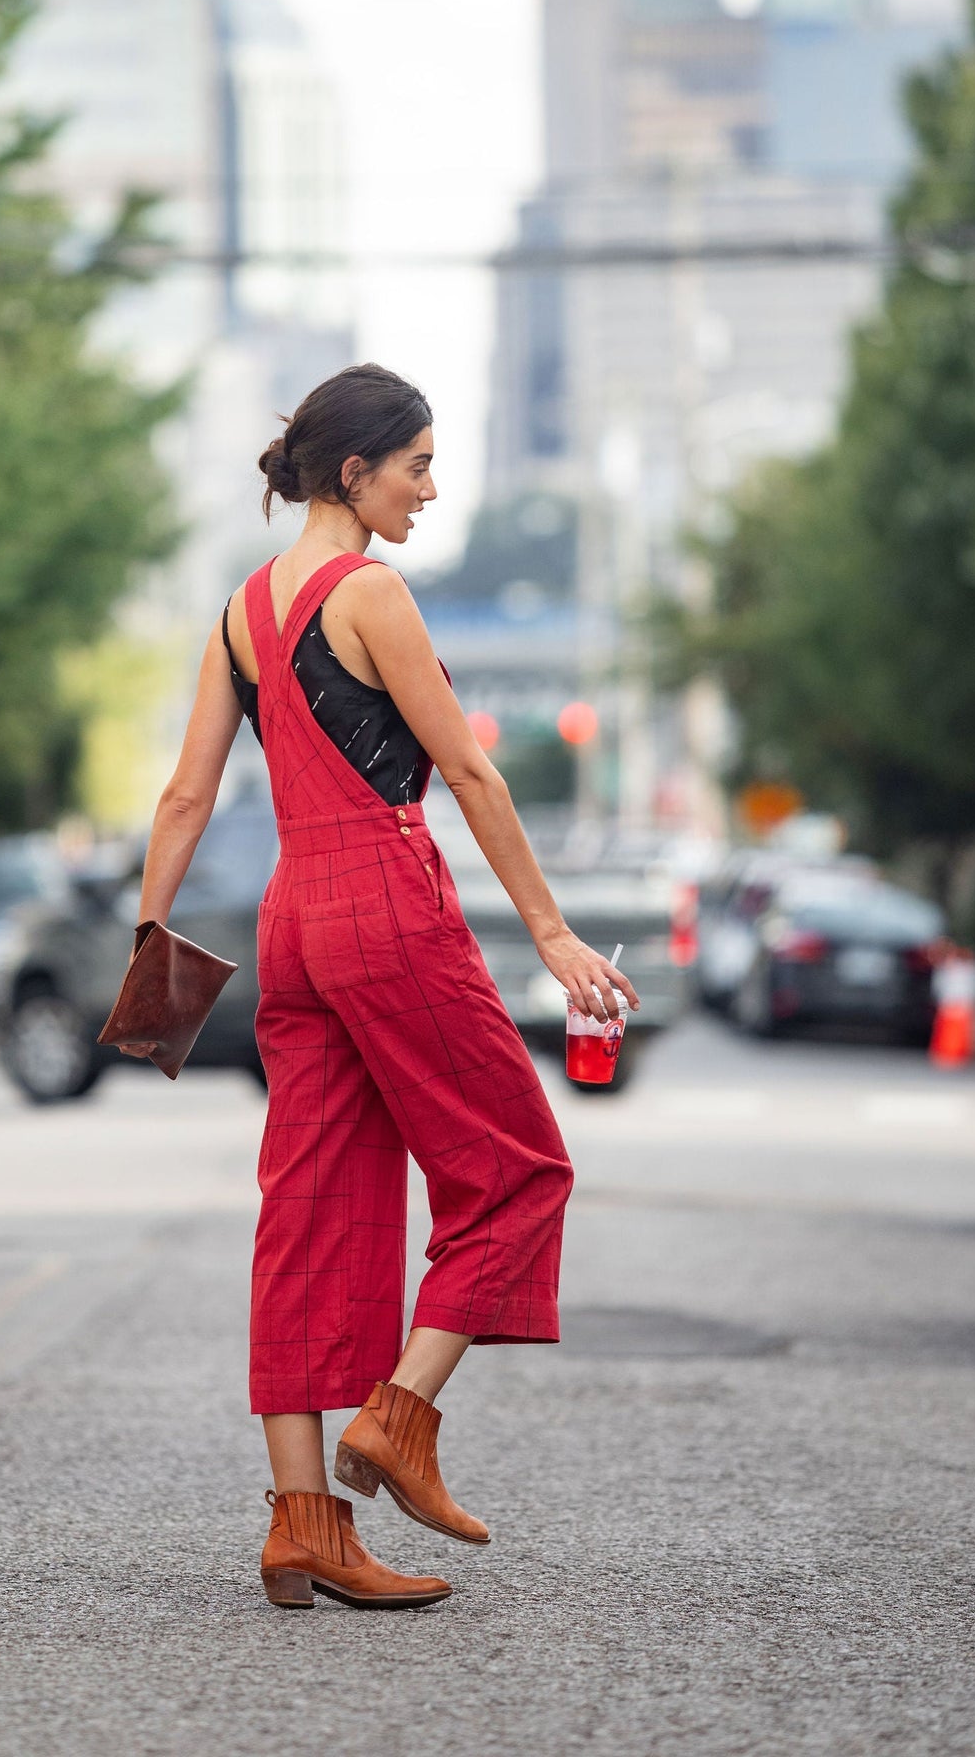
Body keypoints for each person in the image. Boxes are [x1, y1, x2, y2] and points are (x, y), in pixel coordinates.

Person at [136, 363, 638, 1611]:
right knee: (518, 1165)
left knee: (309, 1205)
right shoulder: (370, 593)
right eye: (415, 463)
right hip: (379, 897)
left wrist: (151, 940)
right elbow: (469, 774)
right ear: (350, 472)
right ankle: (399, 1414)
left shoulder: (242, 611)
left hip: (291, 919)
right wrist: (554, 933)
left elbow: (188, 794)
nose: (429, 485)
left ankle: (303, 1521)